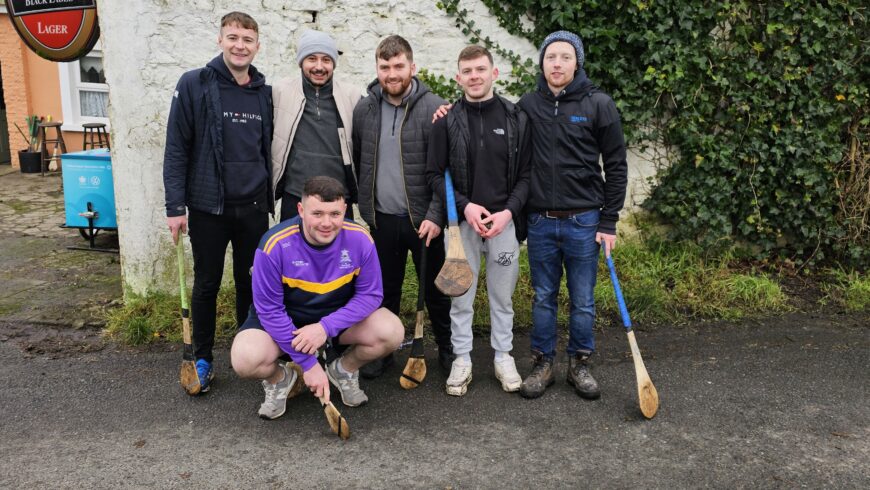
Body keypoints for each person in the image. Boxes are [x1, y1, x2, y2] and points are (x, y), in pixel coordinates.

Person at [163, 11, 273, 394]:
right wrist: (175, 207)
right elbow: (177, 148)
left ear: (257, 46)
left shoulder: (263, 92)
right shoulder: (195, 84)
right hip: (210, 208)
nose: (239, 45)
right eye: (233, 37)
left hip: (256, 208)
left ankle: (249, 352)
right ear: (220, 40)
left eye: (247, 39)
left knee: (251, 284)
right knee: (207, 284)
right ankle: (203, 357)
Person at [230, 176, 403, 417]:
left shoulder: (360, 239)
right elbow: (269, 311)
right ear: (301, 210)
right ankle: (281, 379)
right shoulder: (273, 245)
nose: (326, 223)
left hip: (335, 321)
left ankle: (343, 369)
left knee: (391, 331)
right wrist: (308, 365)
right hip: (286, 322)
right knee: (245, 359)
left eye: (334, 214)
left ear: (344, 210)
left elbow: (371, 295)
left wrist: (325, 328)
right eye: (317, 213)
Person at [517, 31, 628, 400]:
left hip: (584, 221)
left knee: (582, 300)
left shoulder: (599, 104)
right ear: (543, 63)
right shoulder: (528, 105)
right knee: (544, 296)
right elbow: (500, 140)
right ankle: (543, 363)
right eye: (551, 57)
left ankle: (580, 363)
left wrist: (609, 220)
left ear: (577, 62)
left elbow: (616, 164)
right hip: (541, 221)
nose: (557, 64)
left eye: (565, 57)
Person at [426, 45, 531, 396]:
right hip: (462, 225)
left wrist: (508, 212)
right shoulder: (447, 121)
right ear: (458, 78)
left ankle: (503, 356)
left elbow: (527, 176)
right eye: (467, 71)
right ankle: (462, 359)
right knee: (461, 296)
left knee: (502, 297)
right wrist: (465, 206)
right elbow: (433, 175)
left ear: (494, 73)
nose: (474, 77)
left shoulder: (516, 118)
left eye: (480, 70)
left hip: (503, 224)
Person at [352, 35, 454, 378]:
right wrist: (366, 212)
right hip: (382, 221)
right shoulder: (364, 109)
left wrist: (436, 215)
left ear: (412, 67)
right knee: (385, 292)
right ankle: (384, 351)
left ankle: (447, 349)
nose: (392, 73)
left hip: (425, 222)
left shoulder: (435, 108)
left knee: (436, 293)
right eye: (385, 67)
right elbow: (359, 158)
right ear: (377, 69)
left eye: (398, 66)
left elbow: (447, 170)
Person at [271, 30, 360, 221]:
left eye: (326, 60)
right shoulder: (280, 92)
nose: (319, 67)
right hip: (296, 197)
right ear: (301, 61)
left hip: (338, 199)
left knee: (340, 252)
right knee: (294, 251)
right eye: (311, 58)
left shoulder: (352, 96)